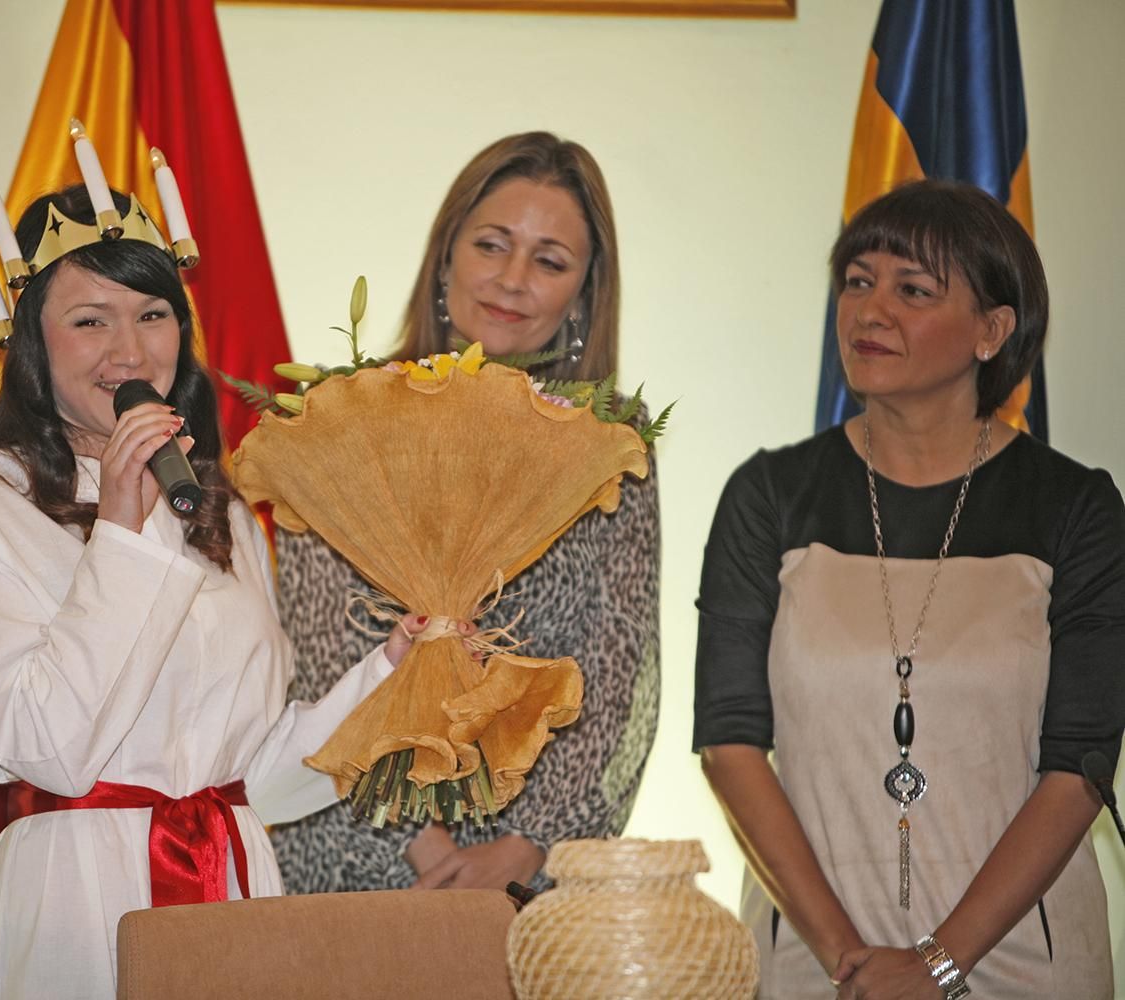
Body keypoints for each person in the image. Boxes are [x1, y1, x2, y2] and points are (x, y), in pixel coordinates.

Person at [0, 184, 426, 999]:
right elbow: (47, 747)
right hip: (76, 895)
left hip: (231, 885)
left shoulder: (217, 506)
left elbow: (259, 776)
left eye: (152, 313)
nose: (129, 352)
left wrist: (389, 673)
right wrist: (123, 530)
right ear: (33, 342)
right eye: (89, 320)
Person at [694, 180, 1125, 999]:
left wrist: (937, 965)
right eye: (857, 281)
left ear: (994, 330)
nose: (870, 310)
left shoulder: (1076, 507)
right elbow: (729, 742)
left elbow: (1080, 767)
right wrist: (850, 962)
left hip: (1024, 967)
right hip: (817, 964)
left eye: (912, 289)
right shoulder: (770, 495)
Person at [270, 131, 661, 894]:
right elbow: (318, 647)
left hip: (529, 874)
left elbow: (619, 664)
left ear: (583, 292)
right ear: (446, 256)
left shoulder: (609, 439)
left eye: (549, 261)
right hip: (355, 838)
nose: (513, 279)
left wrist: (524, 849)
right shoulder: (353, 416)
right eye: (492, 245)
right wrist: (426, 845)